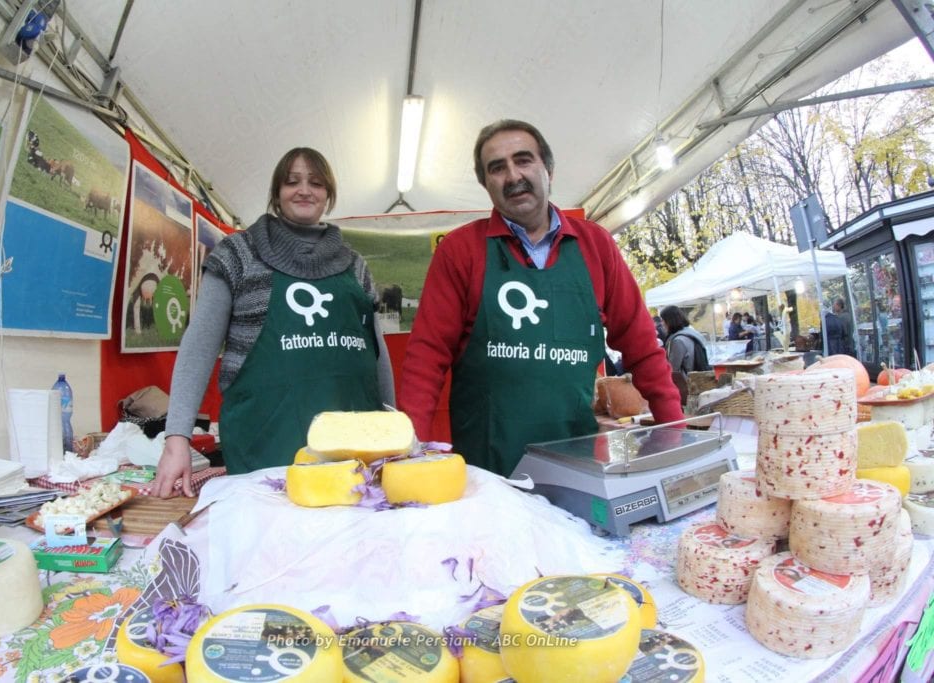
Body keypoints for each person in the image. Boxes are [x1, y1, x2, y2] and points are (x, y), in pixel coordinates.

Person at [398, 119, 683, 477]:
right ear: (485, 184)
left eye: (523, 160)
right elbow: (426, 357)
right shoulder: (459, 251)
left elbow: (642, 347)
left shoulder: (596, 246)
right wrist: (410, 453)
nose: (513, 175)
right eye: (496, 168)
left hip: (578, 460)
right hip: (488, 468)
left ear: (548, 169)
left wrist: (675, 434)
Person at [150, 148, 395, 497]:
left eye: (316, 183)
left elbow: (377, 354)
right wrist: (177, 439)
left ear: (329, 194)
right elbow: (199, 346)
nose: (304, 190)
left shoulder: (355, 265)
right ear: (277, 194)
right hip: (265, 452)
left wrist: (394, 426)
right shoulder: (238, 255)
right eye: (292, 181)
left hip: (355, 457)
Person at [660, 306, 710, 377]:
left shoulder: (678, 341)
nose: (662, 323)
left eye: (663, 320)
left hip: (686, 383)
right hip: (699, 378)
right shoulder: (694, 333)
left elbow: (673, 369)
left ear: (669, 320)